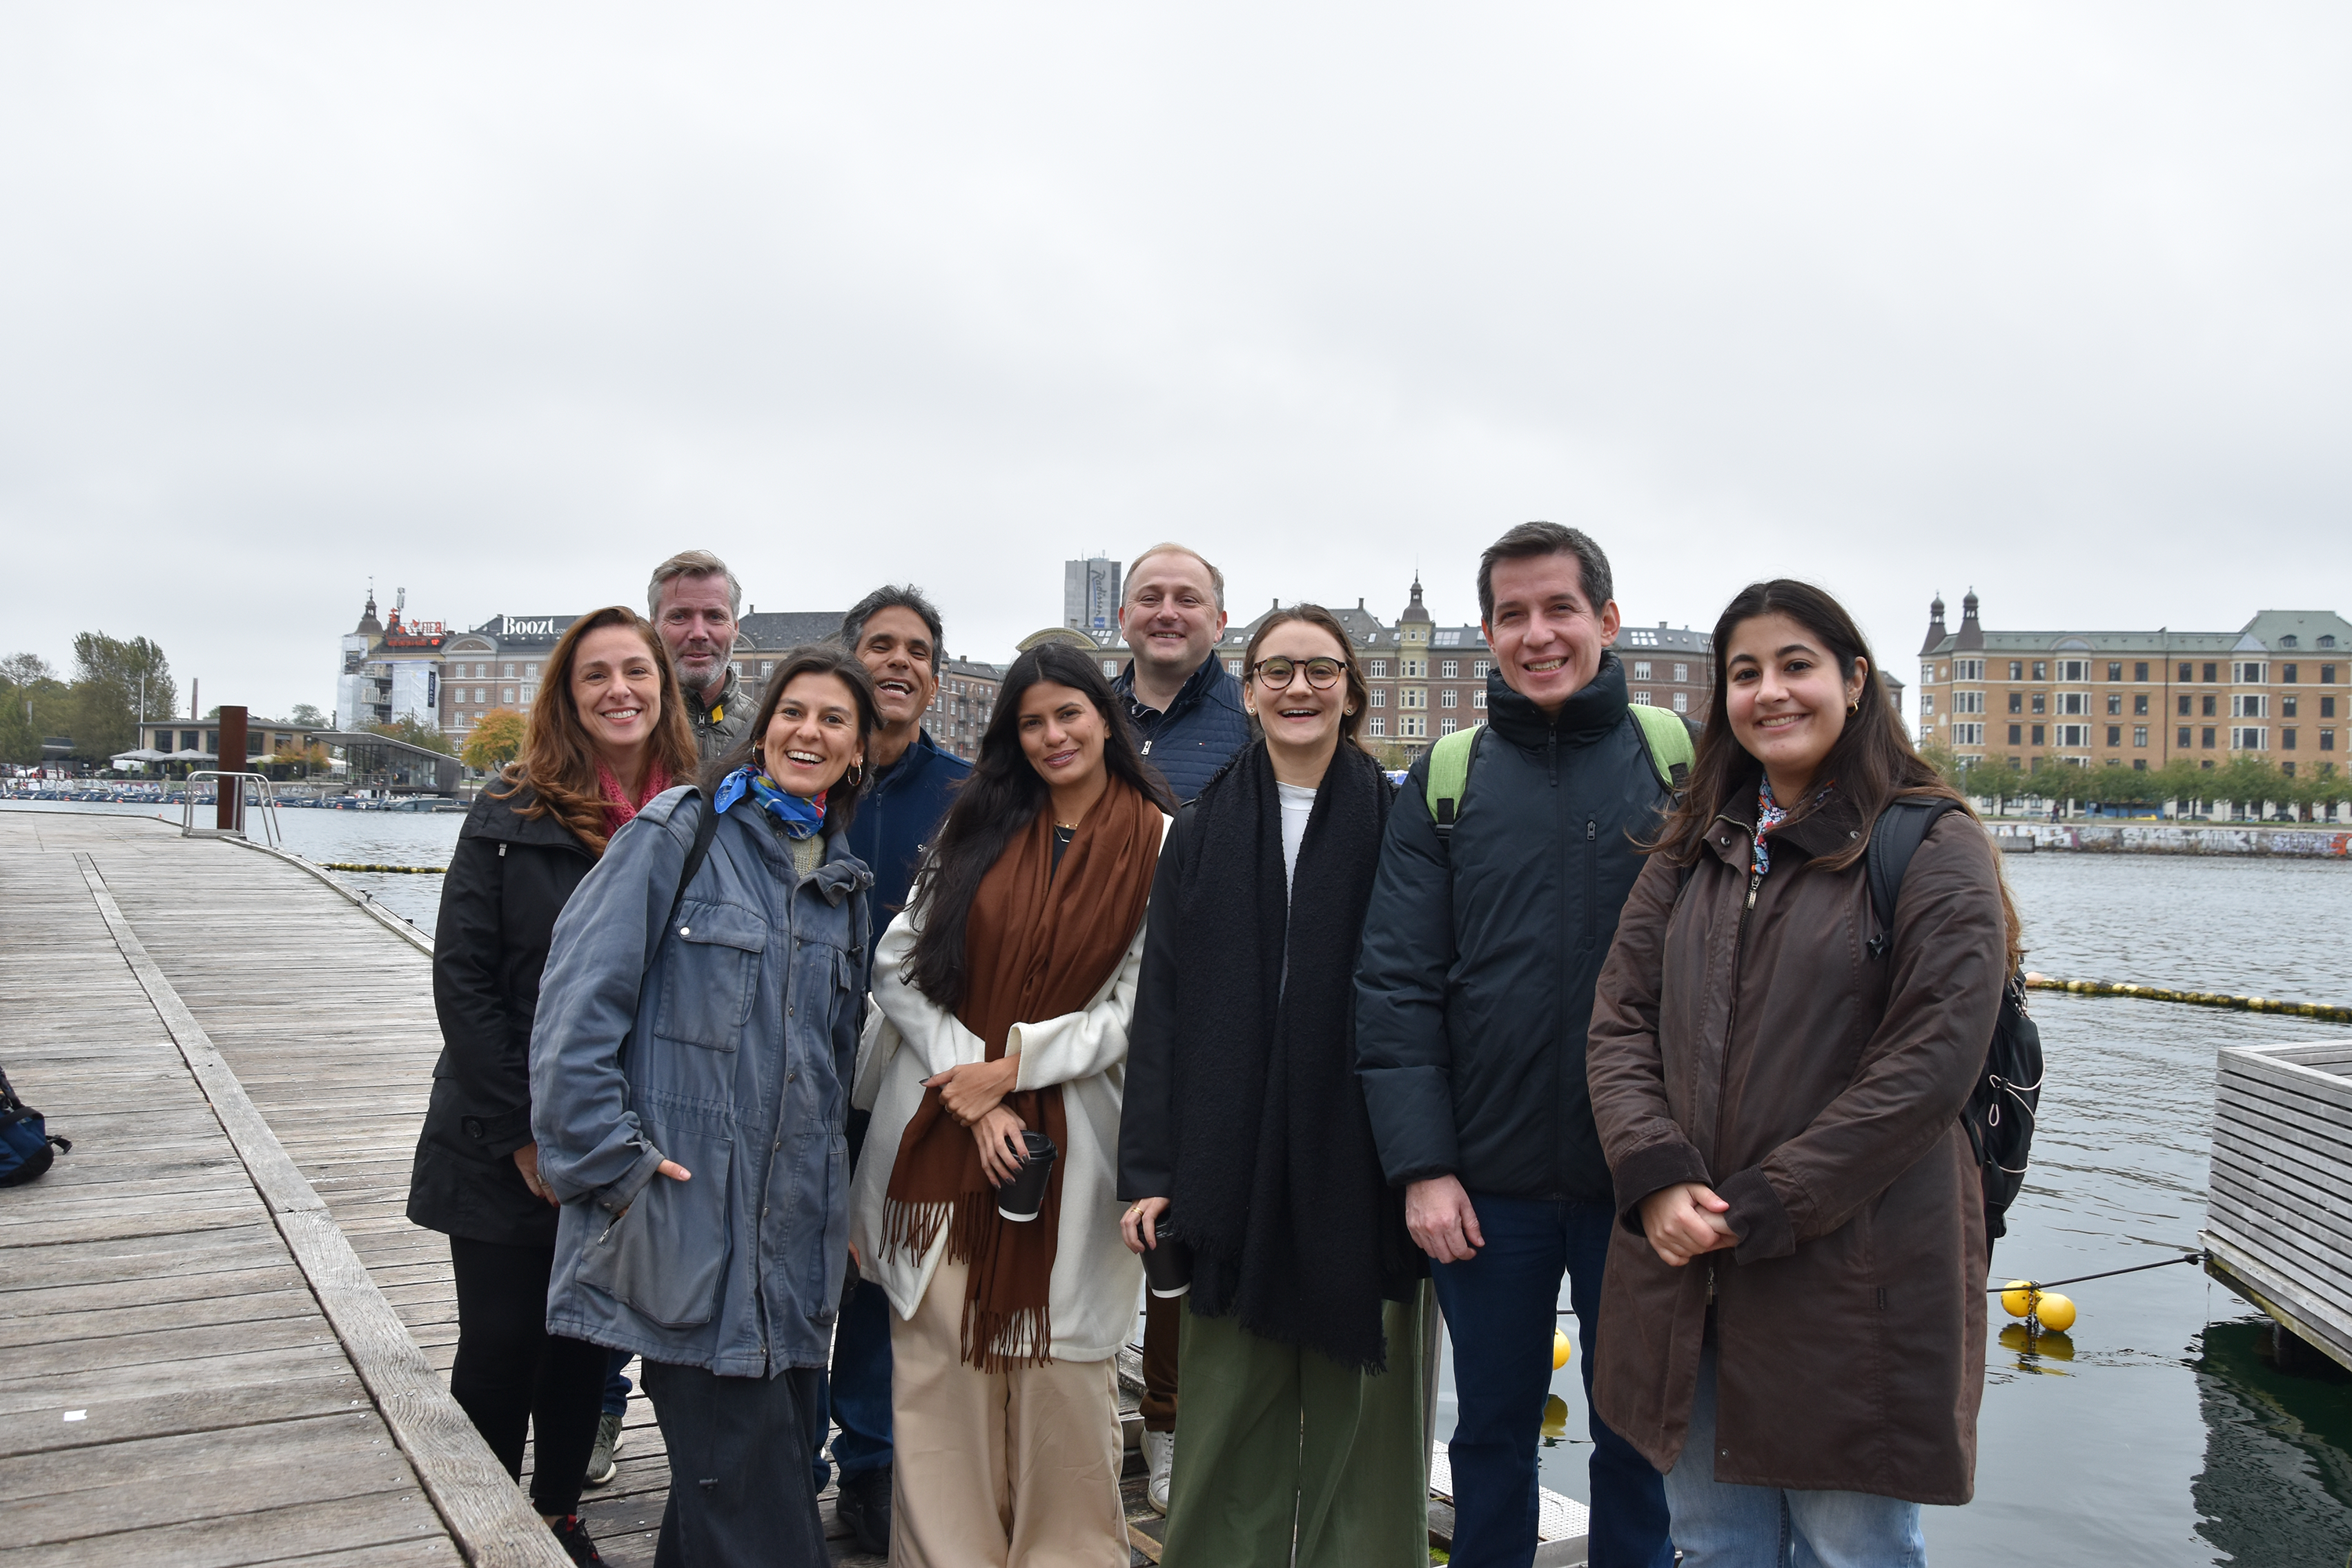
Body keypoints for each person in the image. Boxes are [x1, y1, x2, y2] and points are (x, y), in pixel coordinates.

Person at [1586, 581, 2013, 1566]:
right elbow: (1620, 1020)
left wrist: (1773, 1199)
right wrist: (1652, 1173)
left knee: (1850, 1546)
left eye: (1796, 665)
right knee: (1712, 1543)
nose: (1770, 691)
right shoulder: (1692, 845)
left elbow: (1931, 1060)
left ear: (1854, 681)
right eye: (1746, 673)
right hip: (1686, 1264)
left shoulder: (1929, 842)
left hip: (1856, 1271)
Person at [1355, 521, 1677, 1568]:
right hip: (1484, 1183)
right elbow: (1396, 986)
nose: (1536, 635)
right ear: (1486, 631)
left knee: (1640, 1439)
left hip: (1643, 1176)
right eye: (1512, 616)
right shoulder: (1446, 782)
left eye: (1559, 610)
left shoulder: (1678, 767)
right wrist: (1423, 1165)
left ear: (1606, 621)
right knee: (1490, 1435)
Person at [531, 644, 880, 1568]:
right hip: (685, 1222)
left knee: (733, 1487)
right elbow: (575, 1007)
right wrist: (610, 1163)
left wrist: (839, 1205)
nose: (810, 731)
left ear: (858, 751)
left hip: (793, 1245)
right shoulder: (678, 833)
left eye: (834, 719)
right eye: (794, 711)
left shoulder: (842, 884)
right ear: (763, 729)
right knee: (760, 1516)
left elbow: (831, 1070)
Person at [848, 641, 1174, 1568]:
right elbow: (899, 963)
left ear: (1104, 719)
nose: (1051, 735)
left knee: (1062, 1377)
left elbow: (1136, 1008)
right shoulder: (977, 821)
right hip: (947, 1136)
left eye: (1068, 713)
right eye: (1030, 721)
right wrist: (976, 1088)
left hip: (1074, 1144)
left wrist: (1019, 1066)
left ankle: (1066, 1554)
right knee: (940, 1369)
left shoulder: (1159, 839)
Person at [1119, 604, 1428, 1568]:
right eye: (1279, 670)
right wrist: (1150, 1169)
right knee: (1226, 1427)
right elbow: (1160, 1008)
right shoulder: (1200, 829)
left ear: (1353, 689)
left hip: (1367, 1164)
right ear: (1249, 690)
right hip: (1230, 1164)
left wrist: (1431, 1158)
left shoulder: (1407, 824)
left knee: (1373, 1434)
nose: (1301, 687)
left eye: (1321, 670)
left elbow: (1431, 995)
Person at [405, 604, 700, 1566]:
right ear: (567, 697)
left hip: (624, 1127)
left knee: (583, 1344)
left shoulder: (700, 814)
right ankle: (488, 1528)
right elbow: (465, 981)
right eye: (596, 675)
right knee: (497, 1345)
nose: (620, 689)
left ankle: (560, 1514)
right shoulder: (507, 812)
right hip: (501, 1135)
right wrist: (529, 1135)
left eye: (636, 671)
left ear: (663, 685)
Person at [816, 584, 971, 1555]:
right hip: (793, 1059)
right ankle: (786, 1453)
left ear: (936, 675)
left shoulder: (968, 790)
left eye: (917, 650)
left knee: (881, 1262)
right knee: (792, 1264)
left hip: (907, 1060)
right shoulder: (803, 770)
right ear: (850, 659)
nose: (898, 662)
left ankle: (870, 1462)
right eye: (880, 645)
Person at [1109, 540, 1251, 1504]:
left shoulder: (1248, 723)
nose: (1168, 611)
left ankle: (1169, 1419)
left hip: (1197, 1007)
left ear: (1218, 616)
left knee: (1176, 1222)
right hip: (1072, 998)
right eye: (1149, 597)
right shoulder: (1083, 715)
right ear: (1122, 616)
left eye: (1187, 598)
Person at [649, 549, 750, 758]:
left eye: (714, 616)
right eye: (679, 616)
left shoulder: (766, 728)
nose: (698, 633)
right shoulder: (627, 725)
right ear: (653, 627)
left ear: (735, 628)